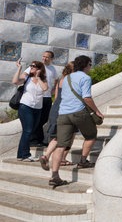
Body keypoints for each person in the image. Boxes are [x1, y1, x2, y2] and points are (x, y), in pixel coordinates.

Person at [50, 55, 104, 187]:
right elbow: (87, 98)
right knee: (91, 135)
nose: (90, 67)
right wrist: (97, 111)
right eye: (90, 65)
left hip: (63, 114)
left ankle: (55, 175)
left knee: (61, 145)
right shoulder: (85, 77)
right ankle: (83, 161)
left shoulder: (67, 77)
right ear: (86, 65)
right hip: (79, 112)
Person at [12, 59, 49, 161]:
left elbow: (45, 88)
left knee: (29, 131)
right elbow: (15, 81)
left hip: (37, 108)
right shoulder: (27, 77)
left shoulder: (43, 79)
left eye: (33, 66)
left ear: (39, 69)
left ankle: (20, 154)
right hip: (25, 106)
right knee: (28, 130)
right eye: (31, 66)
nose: (31, 67)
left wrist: (38, 77)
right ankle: (25, 154)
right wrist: (19, 68)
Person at [40, 63, 74, 171]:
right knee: (70, 135)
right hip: (66, 110)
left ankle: (46, 155)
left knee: (56, 136)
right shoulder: (72, 80)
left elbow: (56, 95)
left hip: (55, 108)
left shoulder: (61, 79)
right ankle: (62, 158)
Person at [30, 50, 57, 146]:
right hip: (39, 96)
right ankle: (35, 140)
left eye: (47, 57)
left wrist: (54, 89)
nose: (44, 58)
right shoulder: (38, 67)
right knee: (37, 118)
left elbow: (56, 80)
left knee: (44, 118)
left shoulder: (53, 69)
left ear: (51, 59)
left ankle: (38, 139)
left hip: (47, 97)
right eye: (43, 56)